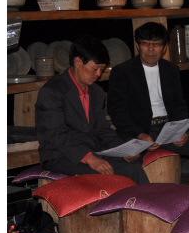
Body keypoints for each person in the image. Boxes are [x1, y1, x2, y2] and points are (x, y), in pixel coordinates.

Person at [35, 35, 149, 184]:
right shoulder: (52, 92)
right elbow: (57, 135)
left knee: (132, 165)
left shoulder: (96, 92)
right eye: (95, 69)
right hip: (60, 155)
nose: (98, 74)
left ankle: (144, 199)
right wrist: (89, 158)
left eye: (101, 69)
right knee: (114, 173)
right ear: (77, 62)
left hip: (92, 148)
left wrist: (125, 149)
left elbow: (102, 129)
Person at [107, 22, 189, 167]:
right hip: (138, 130)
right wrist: (140, 134)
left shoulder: (170, 69)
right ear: (138, 45)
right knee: (130, 157)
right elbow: (117, 111)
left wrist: (180, 131)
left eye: (156, 44)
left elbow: (178, 105)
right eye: (145, 43)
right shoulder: (122, 72)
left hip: (168, 129)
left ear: (164, 47)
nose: (151, 49)